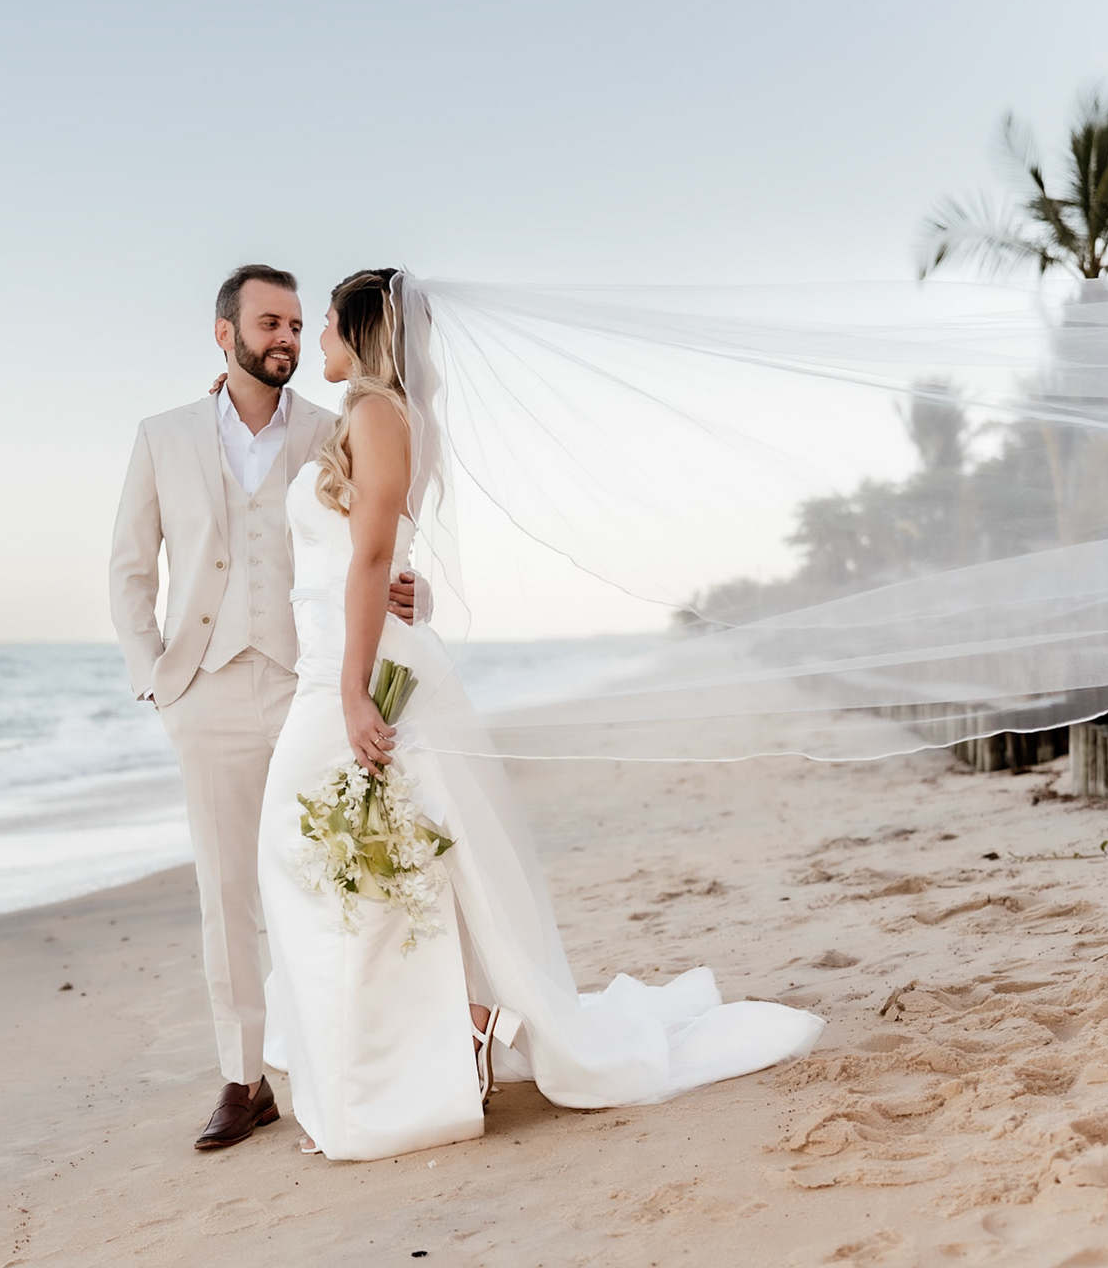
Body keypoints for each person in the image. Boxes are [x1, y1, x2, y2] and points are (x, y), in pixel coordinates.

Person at [256, 270, 827, 1161]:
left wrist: (351, 686)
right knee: (370, 865)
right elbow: (378, 557)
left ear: (361, 331)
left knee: (329, 858)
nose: (318, 337)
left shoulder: (375, 412)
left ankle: (423, 1057)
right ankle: (436, 1042)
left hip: (347, 669)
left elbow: (371, 557)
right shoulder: (381, 416)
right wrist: (408, 597)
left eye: (327, 321)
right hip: (348, 654)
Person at [108, 264, 421, 1150]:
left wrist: (410, 592)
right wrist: (154, 676)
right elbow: (129, 569)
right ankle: (244, 1080)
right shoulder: (162, 435)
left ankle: (333, 1055)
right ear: (225, 334)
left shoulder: (336, 425)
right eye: (270, 323)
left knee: (324, 876)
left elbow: (378, 548)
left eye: (297, 322)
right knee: (228, 889)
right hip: (202, 689)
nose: (287, 337)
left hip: (307, 686)